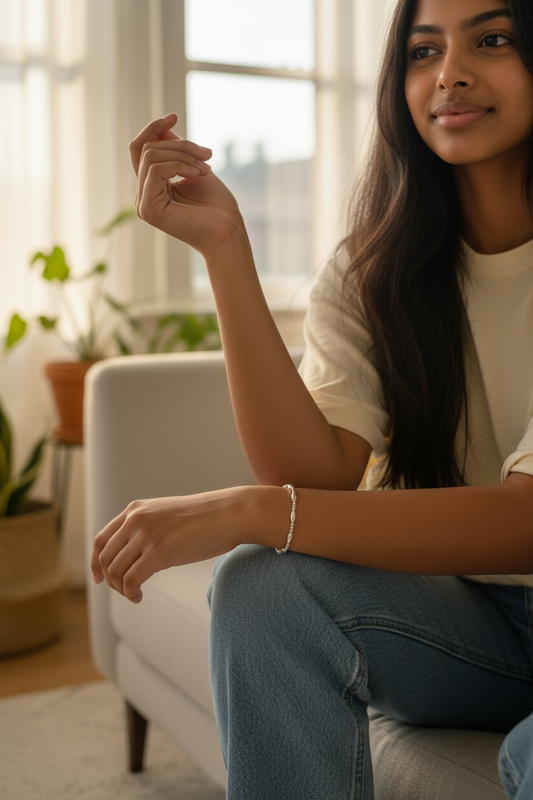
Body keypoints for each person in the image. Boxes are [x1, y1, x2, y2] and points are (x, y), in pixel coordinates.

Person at [91, 0, 533, 796]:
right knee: (262, 586)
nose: (450, 73)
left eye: (492, 39)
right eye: (422, 51)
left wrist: (246, 510)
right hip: (473, 629)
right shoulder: (375, 270)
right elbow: (315, 473)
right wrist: (224, 247)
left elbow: (525, 521)